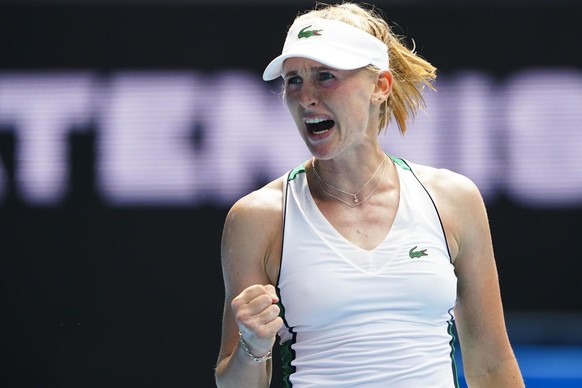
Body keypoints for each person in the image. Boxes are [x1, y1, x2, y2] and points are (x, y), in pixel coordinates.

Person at [215, 2, 524, 387]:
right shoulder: (258, 216)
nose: (305, 97)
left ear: (380, 86)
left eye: (325, 76)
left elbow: (491, 365)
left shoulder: (453, 199)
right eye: (294, 80)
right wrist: (252, 346)